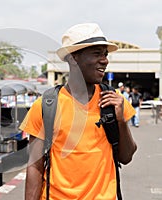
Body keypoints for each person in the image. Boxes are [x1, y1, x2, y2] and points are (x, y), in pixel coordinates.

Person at [20, 23, 137, 200]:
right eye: (97, 54)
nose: (105, 60)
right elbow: (35, 166)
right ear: (73, 58)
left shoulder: (114, 101)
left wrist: (121, 121)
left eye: (105, 55)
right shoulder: (46, 106)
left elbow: (126, 157)